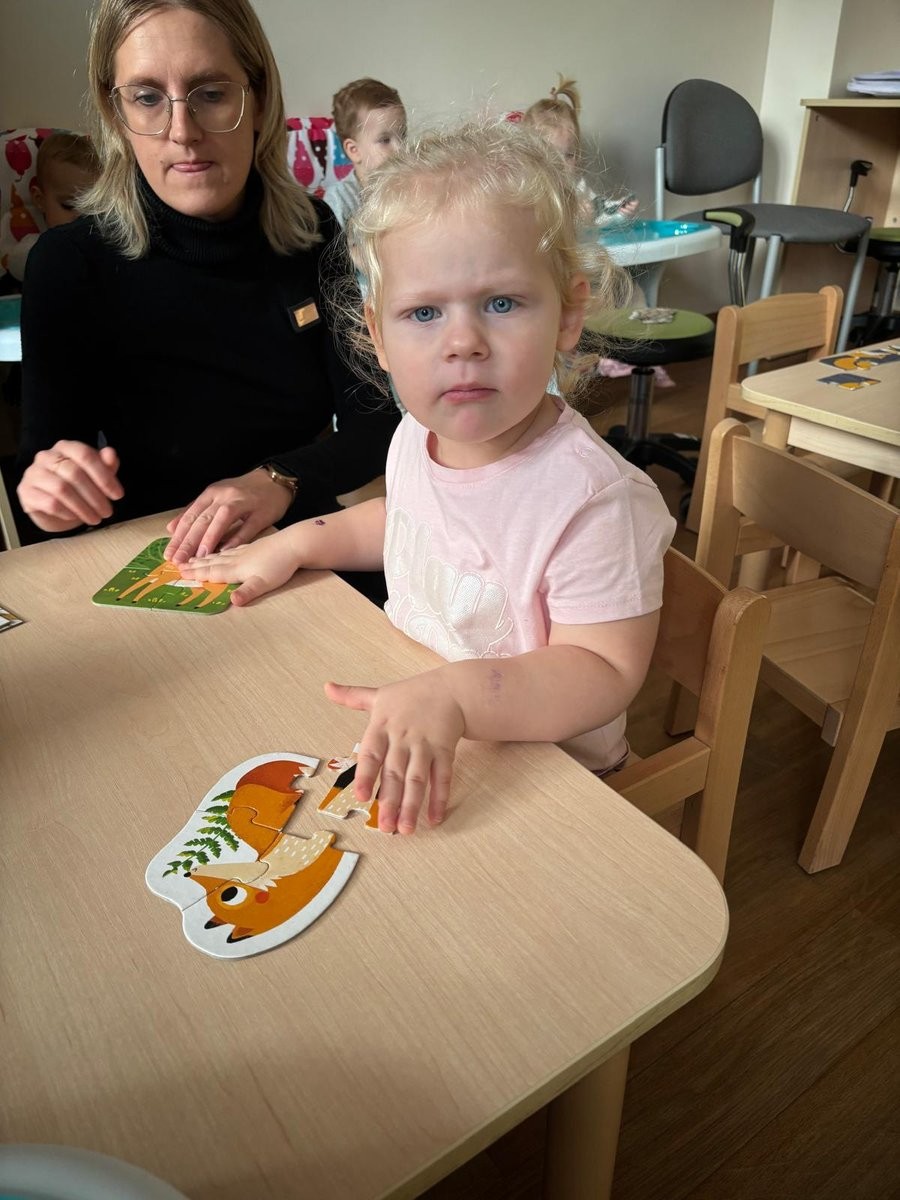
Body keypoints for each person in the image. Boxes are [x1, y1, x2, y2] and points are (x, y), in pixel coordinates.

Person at [182, 119, 675, 834]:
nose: (463, 342)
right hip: (429, 724)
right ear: (378, 336)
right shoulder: (419, 433)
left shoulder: (594, 499)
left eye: (501, 303)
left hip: (555, 786)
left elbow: (603, 670)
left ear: (568, 314)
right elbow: (406, 521)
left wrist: (458, 696)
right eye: (423, 313)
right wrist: (295, 543)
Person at [15, 0, 399, 572]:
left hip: (299, 550)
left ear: (258, 99)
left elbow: (376, 427)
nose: (182, 132)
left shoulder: (315, 232)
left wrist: (278, 480)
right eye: (147, 97)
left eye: (211, 93)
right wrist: (50, 495)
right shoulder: (68, 263)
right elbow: (45, 485)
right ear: (116, 114)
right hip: (150, 559)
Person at [521, 76, 638, 228]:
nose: (562, 165)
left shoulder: (578, 188)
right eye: (552, 156)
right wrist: (575, 219)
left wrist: (619, 213)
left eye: (569, 155)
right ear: (531, 156)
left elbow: (600, 217)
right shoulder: (529, 192)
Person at [4, 132, 101, 286]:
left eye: (91, 208)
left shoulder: (97, 242)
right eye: (68, 205)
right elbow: (14, 262)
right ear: (40, 200)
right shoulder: (34, 247)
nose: (82, 218)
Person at [323, 78, 406, 229]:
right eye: (385, 140)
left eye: (403, 135)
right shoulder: (340, 198)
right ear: (354, 150)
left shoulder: (407, 185)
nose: (400, 148)